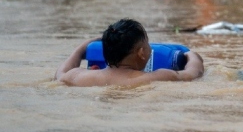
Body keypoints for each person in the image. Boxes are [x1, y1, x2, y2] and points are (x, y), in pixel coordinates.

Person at [54, 18, 204, 87]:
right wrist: (192, 55)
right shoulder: (156, 77)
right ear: (141, 53)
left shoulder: (79, 77)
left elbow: (60, 75)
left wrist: (82, 48)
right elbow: (193, 73)